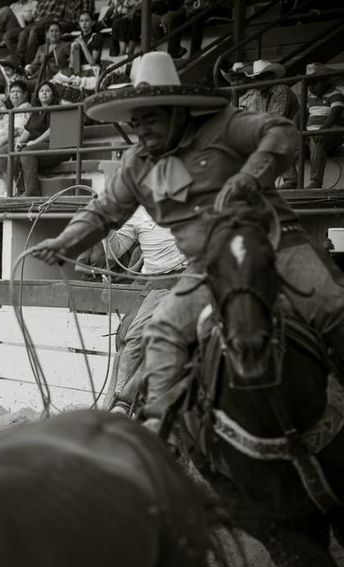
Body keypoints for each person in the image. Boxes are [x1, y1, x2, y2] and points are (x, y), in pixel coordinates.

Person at [30, 51, 343, 432]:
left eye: (151, 118)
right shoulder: (137, 163)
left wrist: (249, 175)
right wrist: (65, 242)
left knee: (332, 306)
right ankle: (161, 433)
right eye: (136, 120)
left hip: (276, 244)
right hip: (207, 269)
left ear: (176, 110)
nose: (142, 128)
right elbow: (102, 211)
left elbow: (281, 133)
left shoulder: (224, 124)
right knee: (162, 334)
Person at [87, 206, 187, 414]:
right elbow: (115, 250)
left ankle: (121, 404)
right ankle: (120, 403)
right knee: (130, 337)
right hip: (159, 283)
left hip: (191, 279)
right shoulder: (138, 213)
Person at [233, 60, 299, 190]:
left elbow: (277, 118)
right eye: (256, 78)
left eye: (261, 78)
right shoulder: (258, 94)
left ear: (271, 77)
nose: (258, 82)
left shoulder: (281, 89)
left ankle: (290, 179)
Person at [13, 81, 69, 196]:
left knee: (27, 153)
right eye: (41, 91)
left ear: (53, 94)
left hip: (54, 145)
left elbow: (52, 130)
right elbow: (27, 131)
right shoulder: (35, 111)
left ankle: (33, 190)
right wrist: (19, 142)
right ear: (37, 94)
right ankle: (21, 190)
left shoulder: (55, 108)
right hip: (38, 146)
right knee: (14, 154)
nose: (44, 93)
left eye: (48, 91)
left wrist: (34, 142)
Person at [304, 62, 343, 191]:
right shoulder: (310, 96)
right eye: (308, 83)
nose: (311, 86)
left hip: (329, 130)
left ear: (326, 81)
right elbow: (303, 113)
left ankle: (316, 181)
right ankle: (291, 180)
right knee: (290, 145)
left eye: (314, 82)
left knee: (317, 142)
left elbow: (335, 115)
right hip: (311, 132)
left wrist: (322, 130)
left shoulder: (336, 94)